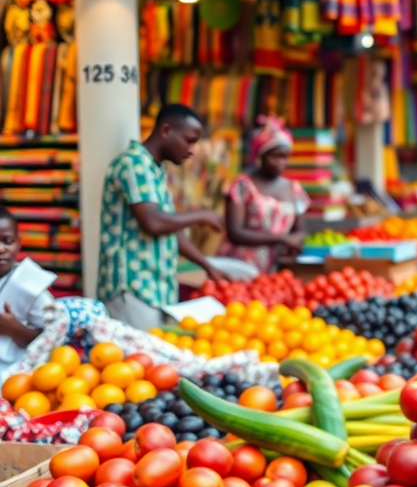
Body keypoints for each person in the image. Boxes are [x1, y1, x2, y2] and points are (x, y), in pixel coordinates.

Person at [98, 104, 228, 330]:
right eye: (189, 140)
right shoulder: (133, 164)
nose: (192, 150)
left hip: (155, 289)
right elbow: (154, 222)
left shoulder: (155, 171)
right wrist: (201, 215)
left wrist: (207, 265)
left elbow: (171, 230)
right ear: (166, 130)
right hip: (132, 288)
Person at [217, 116, 310, 274]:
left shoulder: (295, 189)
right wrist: (281, 239)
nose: (282, 163)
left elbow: (301, 230)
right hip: (239, 267)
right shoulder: (242, 185)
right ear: (260, 156)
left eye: (285, 157)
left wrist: (293, 242)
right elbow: (235, 233)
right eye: (276, 157)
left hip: (277, 268)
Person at [0, 207, 55, 374]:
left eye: (8, 241)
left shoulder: (30, 284)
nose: (1, 249)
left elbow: (51, 339)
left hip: (16, 374)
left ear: (19, 242)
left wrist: (14, 328)